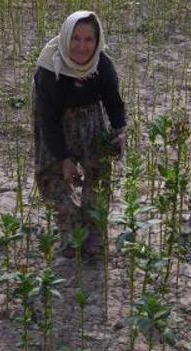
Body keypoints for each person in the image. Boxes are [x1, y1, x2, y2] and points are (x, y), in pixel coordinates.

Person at [33, 11, 126, 258]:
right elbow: (49, 120)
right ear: (65, 38)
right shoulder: (48, 71)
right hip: (54, 117)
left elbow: (113, 102)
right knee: (52, 176)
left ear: (97, 42)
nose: (82, 47)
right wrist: (63, 158)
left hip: (88, 114)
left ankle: (94, 232)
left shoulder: (102, 65)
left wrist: (120, 131)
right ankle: (72, 233)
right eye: (75, 38)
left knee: (99, 169)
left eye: (88, 40)